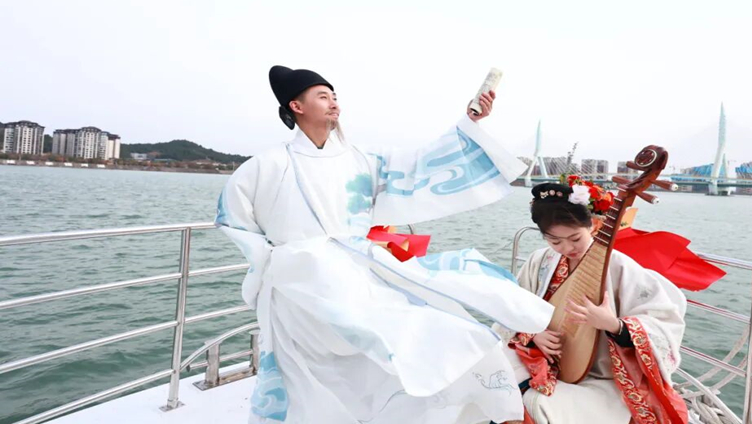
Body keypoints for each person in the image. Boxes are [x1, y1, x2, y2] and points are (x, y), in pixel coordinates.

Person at [216, 66, 553, 424]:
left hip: (353, 273)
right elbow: (235, 220)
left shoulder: (360, 160)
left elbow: (419, 164)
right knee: (302, 379)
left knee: (415, 341)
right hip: (296, 283)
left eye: (334, 96)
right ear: (296, 106)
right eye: (323, 97)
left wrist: (469, 121)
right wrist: (274, 262)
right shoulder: (266, 165)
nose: (334, 103)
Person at [494, 182, 688, 424]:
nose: (567, 248)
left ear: (593, 225)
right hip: (540, 356)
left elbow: (665, 321)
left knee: (537, 406)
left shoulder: (619, 266)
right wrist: (533, 334)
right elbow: (513, 308)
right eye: (555, 241)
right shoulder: (540, 260)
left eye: (575, 238)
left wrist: (614, 325)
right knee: (491, 379)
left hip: (601, 374)